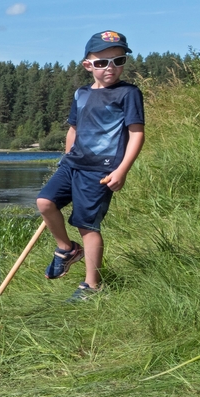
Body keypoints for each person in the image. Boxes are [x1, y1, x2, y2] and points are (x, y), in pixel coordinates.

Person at [37, 30, 145, 300]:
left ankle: (91, 286)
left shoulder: (128, 93)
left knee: (87, 225)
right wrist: (66, 158)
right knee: (45, 202)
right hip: (72, 165)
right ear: (88, 65)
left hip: (100, 171)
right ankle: (66, 249)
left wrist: (121, 170)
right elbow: (73, 129)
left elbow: (136, 133)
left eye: (118, 61)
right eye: (102, 62)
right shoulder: (81, 93)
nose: (110, 68)